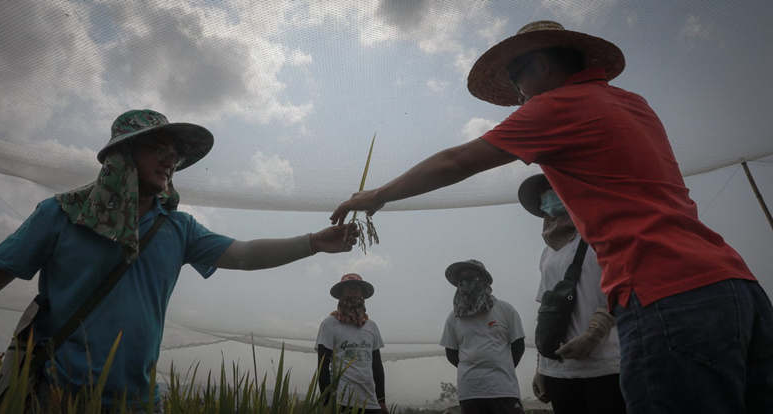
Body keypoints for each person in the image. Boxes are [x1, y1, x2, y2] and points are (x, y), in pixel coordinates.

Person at [330, 20, 772, 414]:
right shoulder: (635, 104)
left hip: (665, 296)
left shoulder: (557, 106)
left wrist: (377, 195)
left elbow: (456, 161)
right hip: (737, 287)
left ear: (541, 64)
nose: (518, 93)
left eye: (516, 76)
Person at [0, 109, 359, 409]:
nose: (170, 158)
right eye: (157, 146)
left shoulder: (177, 228)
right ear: (123, 154)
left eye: (174, 153)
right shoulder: (62, 215)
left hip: (138, 403)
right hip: (57, 399)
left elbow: (243, 254)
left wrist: (312, 242)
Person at [519, 174, 624, 414]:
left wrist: (595, 332)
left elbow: (627, 289)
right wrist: (541, 366)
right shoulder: (548, 253)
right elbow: (546, 309)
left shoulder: (601, 236)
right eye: (543, 195)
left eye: (554, 189)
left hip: (605, 364)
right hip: (559, 370)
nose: (547, 197)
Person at [439, 260, 525, 414]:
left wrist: (501, 367)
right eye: (461, 280)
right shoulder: (454, 317)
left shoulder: (505, 310)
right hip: (470, 392)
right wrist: (473, 368)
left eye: (470, 277)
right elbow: (451, 353)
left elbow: (518, 346)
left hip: (504, 390)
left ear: (483, 280)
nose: (465, 283)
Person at [315, 273, 388, 413]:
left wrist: (381, 400)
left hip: (370, 403)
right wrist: (327, 401)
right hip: (341, 401)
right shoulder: (329, 324)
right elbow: (322, 366)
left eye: (356, 288)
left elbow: (377, 366)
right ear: (341, 293)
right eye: (348, 288)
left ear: (362, 294)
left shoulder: (371, 326)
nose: (353, 291)